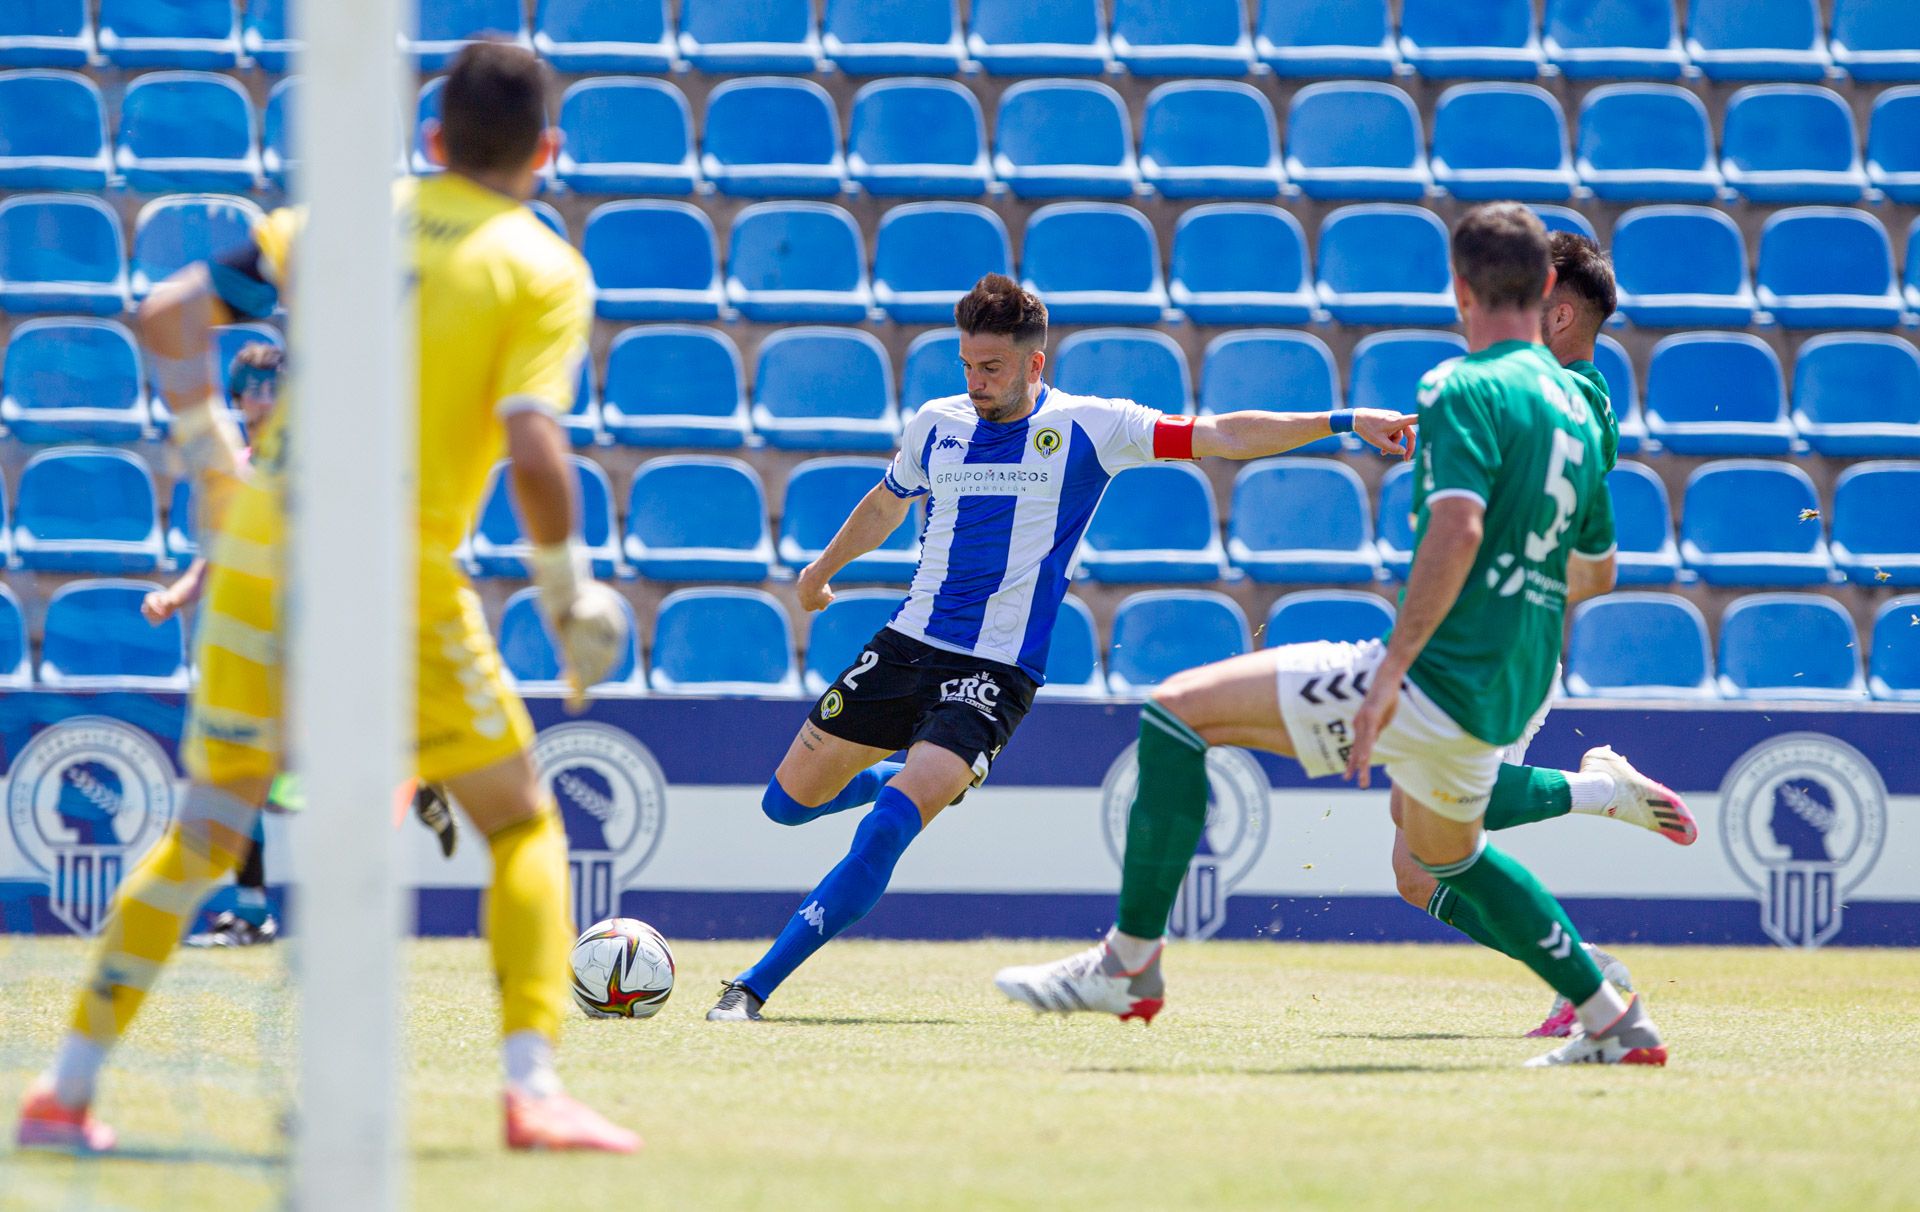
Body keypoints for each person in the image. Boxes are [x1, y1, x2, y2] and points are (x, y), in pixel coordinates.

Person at [17, 41, 638, 1153]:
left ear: (434, 141)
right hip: (390, 563)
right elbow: (536, 449)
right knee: (517, 818)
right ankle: (531, 1087)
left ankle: (65, 1093)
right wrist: (566, 589)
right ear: (547, 153)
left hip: (261, 544)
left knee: (208, 827)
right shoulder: (540, 267)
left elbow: (166, 314)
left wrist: (210, 445)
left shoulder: (343, 216)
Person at [996, 205, 1668, 1068]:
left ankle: (1130, 964)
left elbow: (1457, 532)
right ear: (1542, 289)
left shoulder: (1463, 387)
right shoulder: (1574, 414)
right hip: (1513, 672)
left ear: (1462, 289)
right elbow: (1598, 568)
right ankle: (1616, 1019)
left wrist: (1395, 663)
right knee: (1439, 856)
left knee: (1175, 715)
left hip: (1442, 670)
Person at [705, 273, 1420, 1022]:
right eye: (967, 367)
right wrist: (822, 571)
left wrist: (1343, 418)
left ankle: (751, 987)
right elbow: (888, 501)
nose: (977, 383)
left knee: (887, 828)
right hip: (906, 644)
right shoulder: (936, 424)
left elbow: (1225, 434)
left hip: (994, 671)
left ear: (1034, 364)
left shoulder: (1093, 426)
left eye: (993, 368)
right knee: (786, 804)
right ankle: (905, 777)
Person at [1386, 231, 1697, 1038]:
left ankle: (1602, 798)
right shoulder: (1529, 388)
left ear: (1556, 312)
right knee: (1415, 865)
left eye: (1518, 295)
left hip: (1504, 639)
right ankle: (1589, 974)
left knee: (1438, 827)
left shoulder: (1575, 397)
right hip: (1478, 632)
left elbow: (1573, 540)